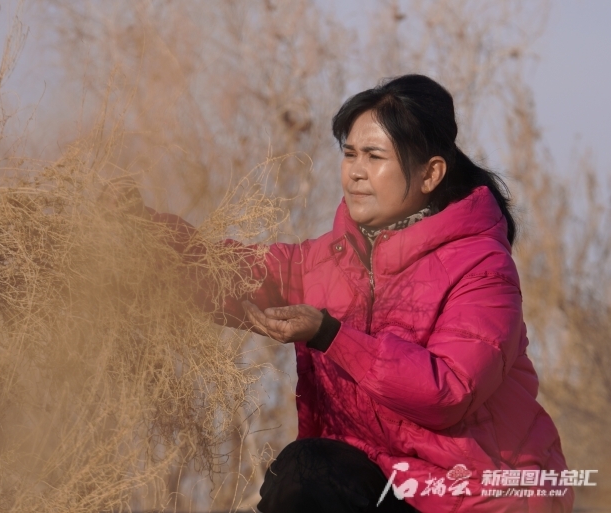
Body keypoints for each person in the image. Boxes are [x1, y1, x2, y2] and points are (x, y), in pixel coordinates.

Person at [134, 74, 573, 512]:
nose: (356, 172)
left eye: (375, 156)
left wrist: (333, 336)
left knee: (311, 470)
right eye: (350, 154)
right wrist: (142, 239)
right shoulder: (328, 260)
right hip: (377, 486)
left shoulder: (482, 267)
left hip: (475, 497)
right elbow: (236, 275)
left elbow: (449, 392)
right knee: (303, 472)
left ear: (430, 173)